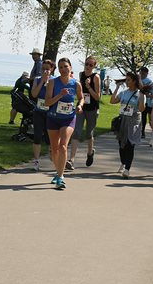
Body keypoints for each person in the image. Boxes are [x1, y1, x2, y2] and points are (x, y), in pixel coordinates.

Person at [44, 57, 82, 189]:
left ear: (70, 67)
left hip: (69, 118)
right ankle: (57, 171)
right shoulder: (52, 83)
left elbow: (81, 98)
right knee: (54, 149)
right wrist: (59, 95)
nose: (63, 69)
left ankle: (60, 177)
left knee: (63, 146)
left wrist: (80, 105)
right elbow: (47, 103)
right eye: (60, 67)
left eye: (65, 66)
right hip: (53, 118)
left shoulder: (76, 84)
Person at [111, 73, 145, 178]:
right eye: (126, 80)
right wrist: (116, 87)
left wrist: (143, 96)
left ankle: (127, 169)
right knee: (122, 145)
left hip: (134, 122)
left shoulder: (140, 94)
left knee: (130, 145)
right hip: (123, 121)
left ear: (134, 81)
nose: (126, 82)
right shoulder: (124, 93)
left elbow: (141, 109)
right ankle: (123, 162)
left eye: (129, 80)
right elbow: (112, 101)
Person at [70, 56, 102, 168]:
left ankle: (90, 152)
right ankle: (71, 160)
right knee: (76, 132)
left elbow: (98, 97)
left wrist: (88, 87)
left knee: (89, 133)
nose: (88, 67)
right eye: (86, 64)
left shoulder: (96, 77)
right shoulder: (81, 75)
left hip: (92, 109)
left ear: (94, 66)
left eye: (90, 65)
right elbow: (79, 91)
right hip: (81, 107)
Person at [30, 58, 55, 170]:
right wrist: (42, 82)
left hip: (50, 113)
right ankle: (36, 161)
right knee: (37, 136)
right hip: (39, 112)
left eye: (47, 69)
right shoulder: (37, 79)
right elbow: (34, 94)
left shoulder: (55, 80)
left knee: (50, 138)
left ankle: (52, 154)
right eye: (43, 69)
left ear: (52, 69)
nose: (45, 71)